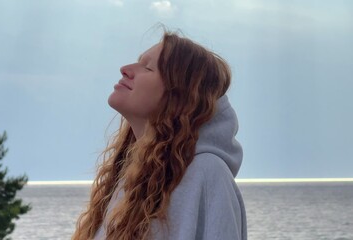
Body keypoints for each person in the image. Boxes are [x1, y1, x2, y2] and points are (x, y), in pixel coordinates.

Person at [72, 31, 247, 240]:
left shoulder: (207, 174)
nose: (125, 70)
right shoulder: (130, 181)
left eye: (147, 67)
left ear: (180, 96)